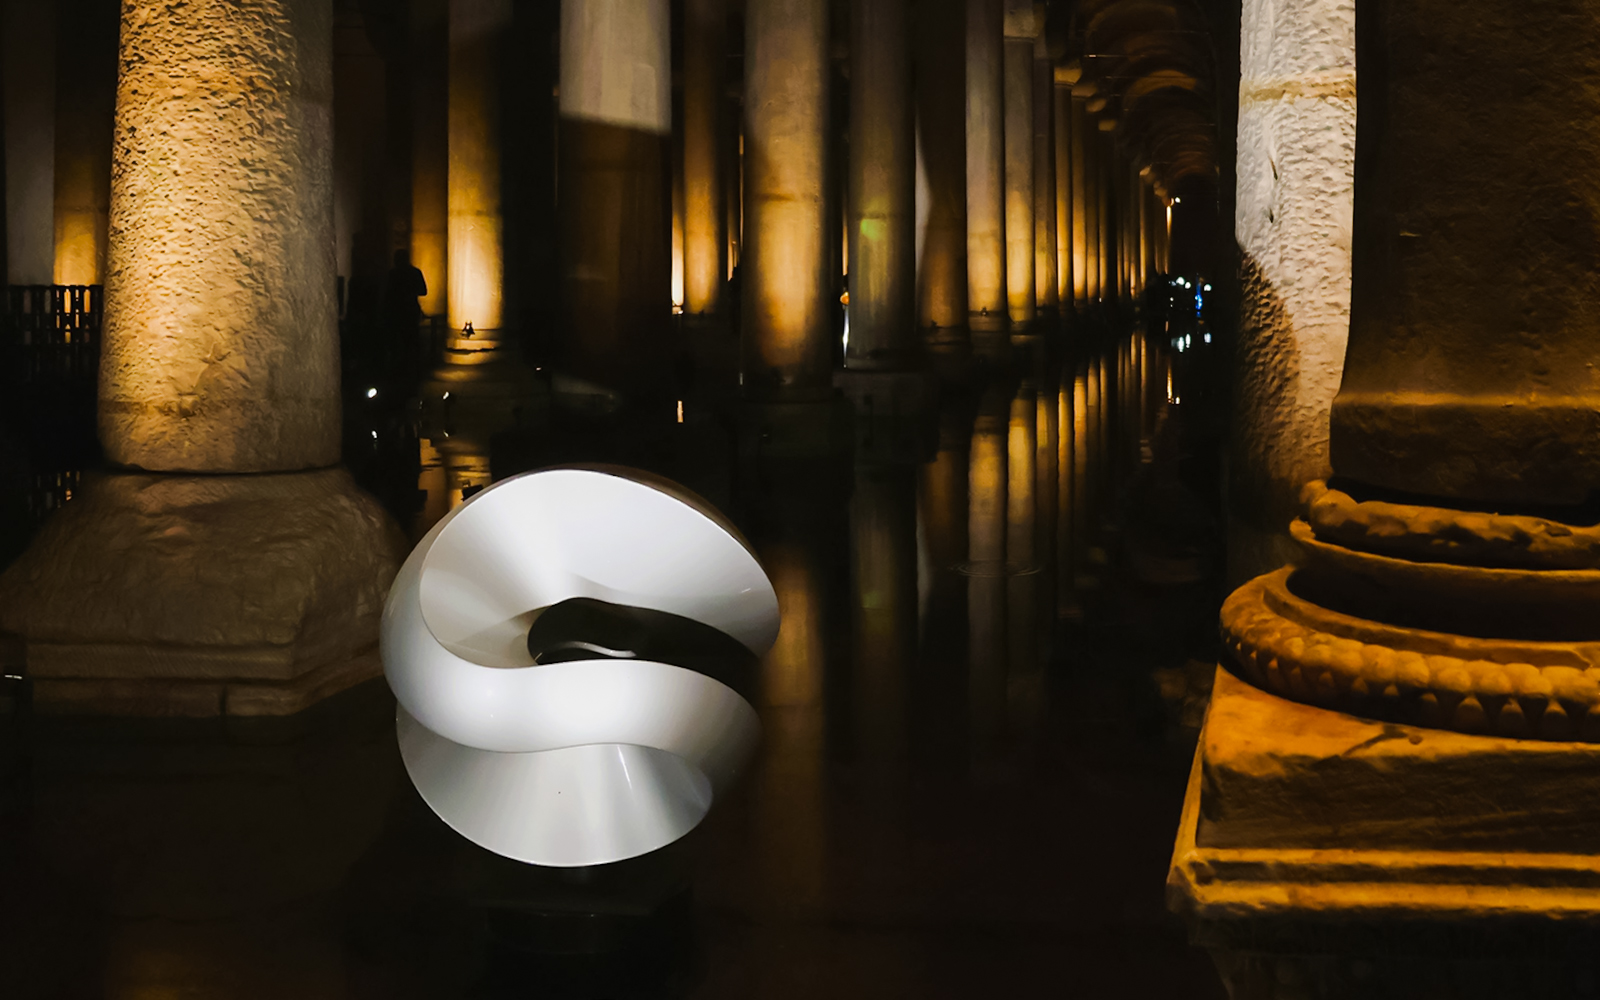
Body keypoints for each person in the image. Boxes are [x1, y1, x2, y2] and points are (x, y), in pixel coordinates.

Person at [379, 248, 428, 388]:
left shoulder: (393, 274)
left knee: (400, 345)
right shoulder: (413, 272)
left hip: (398, 312)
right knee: (410, 344)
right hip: (408, 312)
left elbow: (387, 294)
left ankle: (402, 373)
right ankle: (410, 373)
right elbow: (423, 291)